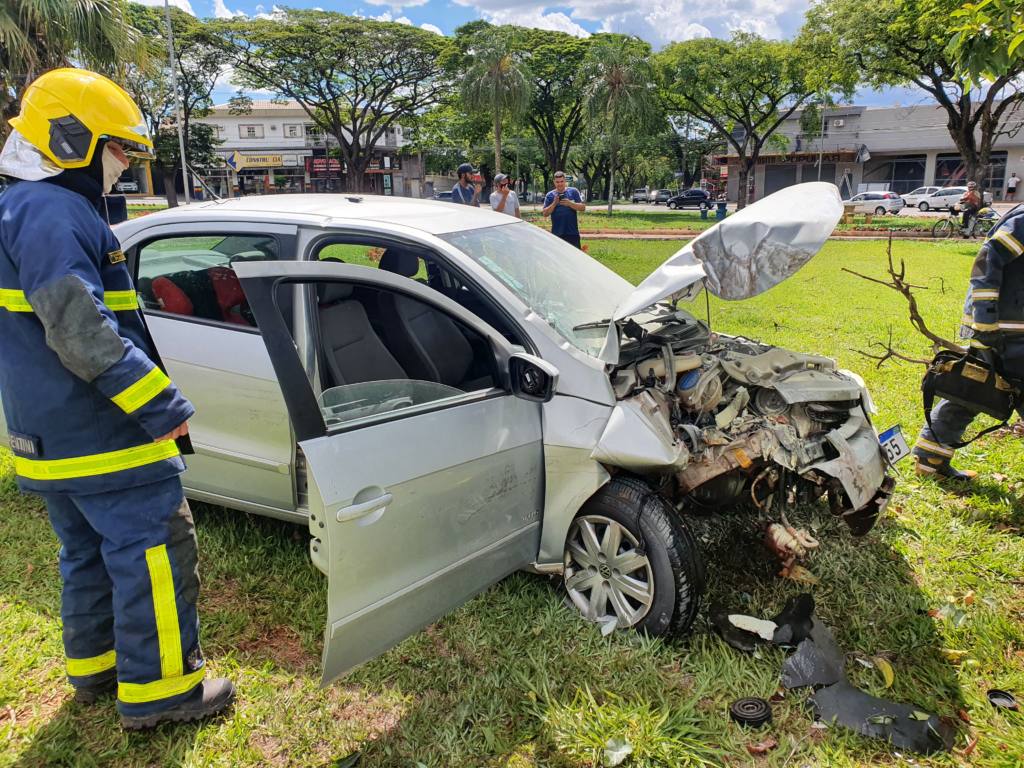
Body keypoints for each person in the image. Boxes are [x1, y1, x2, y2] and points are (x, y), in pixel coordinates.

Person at [0, 69, 234, 729]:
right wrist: (162, 406)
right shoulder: (54, 211)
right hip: (99, 435)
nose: (125, 164)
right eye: (120, 148)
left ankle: (96, 669)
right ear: (72, 138)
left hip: (48, 436)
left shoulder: (19, 206)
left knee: (86, 553)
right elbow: (79, 329)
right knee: (156, 550)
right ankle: (163, 693)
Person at [913, 203, 1024, 480]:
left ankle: (930, 458)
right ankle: (930, 458)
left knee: (974, 388)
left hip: (1002, 327)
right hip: (1006, 330)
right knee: (976, 387)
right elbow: (988, 259)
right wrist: (986, 324)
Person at [542, 170, 586, 248]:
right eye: (557, 182)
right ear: (554, 182)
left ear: (565, 181)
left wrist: (570, 203)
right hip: (557, 234)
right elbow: (545, 213)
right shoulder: (550, 195)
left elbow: (583, 207)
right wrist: (554, 203)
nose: (560, 184)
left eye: (561, 181)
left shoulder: (573, 191)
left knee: (574, 257)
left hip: (572, 233)